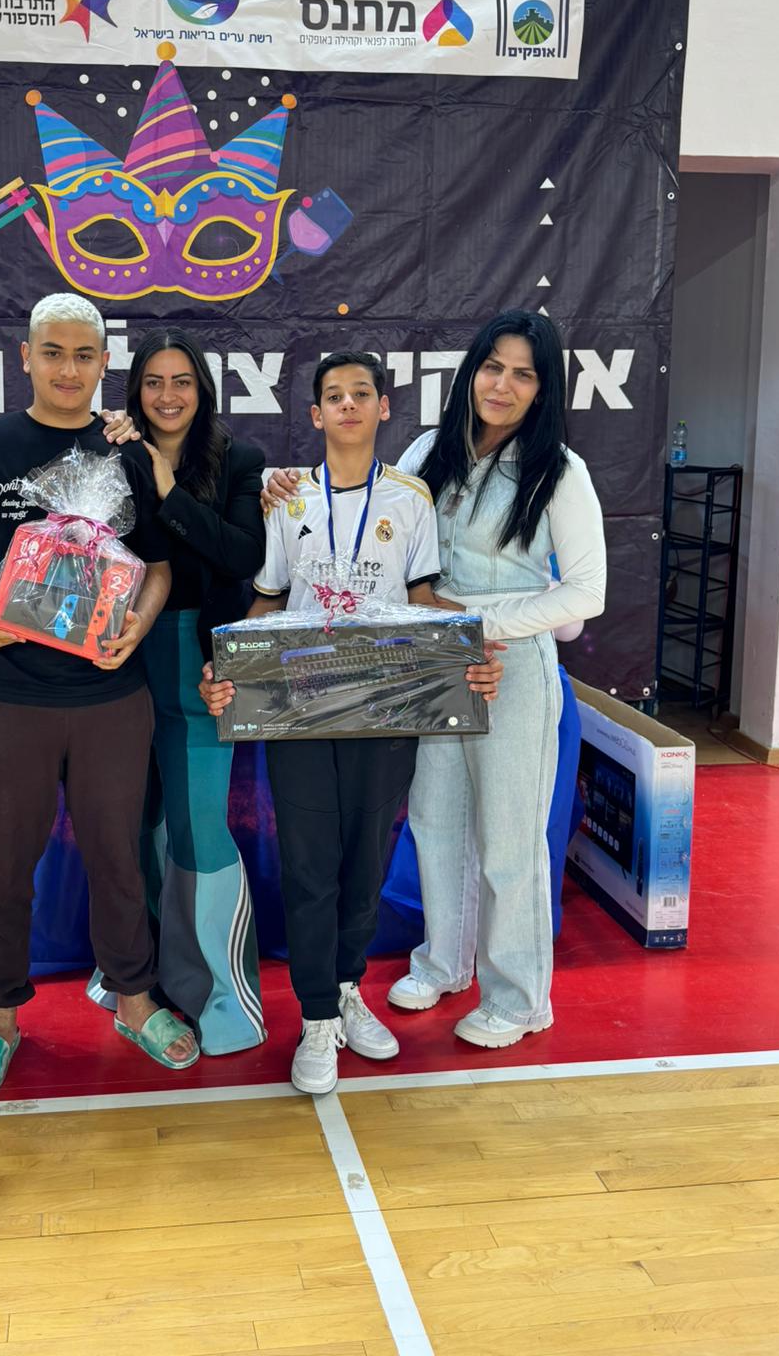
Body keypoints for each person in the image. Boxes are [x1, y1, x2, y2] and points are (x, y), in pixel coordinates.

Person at [266, 312, 606, 1048]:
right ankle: (444, 962)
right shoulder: (430, 451)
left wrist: (478, 624)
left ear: (543, 388)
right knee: (435, 820)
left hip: (508, 665)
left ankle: (518, 998)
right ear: (471, 372)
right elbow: (378, 530)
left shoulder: (559, 471)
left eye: (523, 374)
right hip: (427, 665)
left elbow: (587, 593)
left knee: (510, 839)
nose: (503, 385)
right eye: (492, 367)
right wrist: (285, 489)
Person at [200, 351, 503, 1095]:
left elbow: (422, 602)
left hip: (387, 703)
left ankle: (344, 992)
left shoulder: (410, 498)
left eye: (360, 393)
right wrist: (225, 667)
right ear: (314, 414)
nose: (346, 405)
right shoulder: (287, 499)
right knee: (309, 865)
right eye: (332, 395)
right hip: (301, 705)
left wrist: (471, 653)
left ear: (382, 406)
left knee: (365, 863)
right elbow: (269, 601)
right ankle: (314, 1020)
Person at [0, 292, 198, 1097]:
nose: (69, 369)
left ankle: (134, 999)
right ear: (26, 357)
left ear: (105, 363)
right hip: (8, 696)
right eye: (53, 352)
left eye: (85, 355)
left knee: (118, 858)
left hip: (109, 697)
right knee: (5, 863)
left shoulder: (128, 453)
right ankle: (0, 1017)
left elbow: (158, 567)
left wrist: (137, 627)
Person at [118, 328, 266, 1054]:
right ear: (135, 390)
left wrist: (169, 488)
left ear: (202, 389)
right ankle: (137, 979)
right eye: (154, 381)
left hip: (202, 661)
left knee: (198, 826)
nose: (168, 395)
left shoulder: (240, 459)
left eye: (181, 381)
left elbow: (241, 554)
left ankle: (220, 996)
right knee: (134, 823)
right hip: (117, 655)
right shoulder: (109, 455)